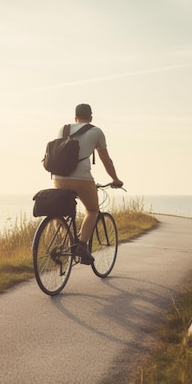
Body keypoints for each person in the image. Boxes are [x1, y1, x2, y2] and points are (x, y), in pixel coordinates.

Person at [52, 103, 124, 264]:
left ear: (75, 118)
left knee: (61, 211)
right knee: (92, 210)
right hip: (81, 179)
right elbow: (106, 161)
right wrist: (116, 179)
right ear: (91, 117)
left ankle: (66, 240)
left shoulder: (62, 129)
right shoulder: (96, 132)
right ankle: (82, 246)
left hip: (58, 178)